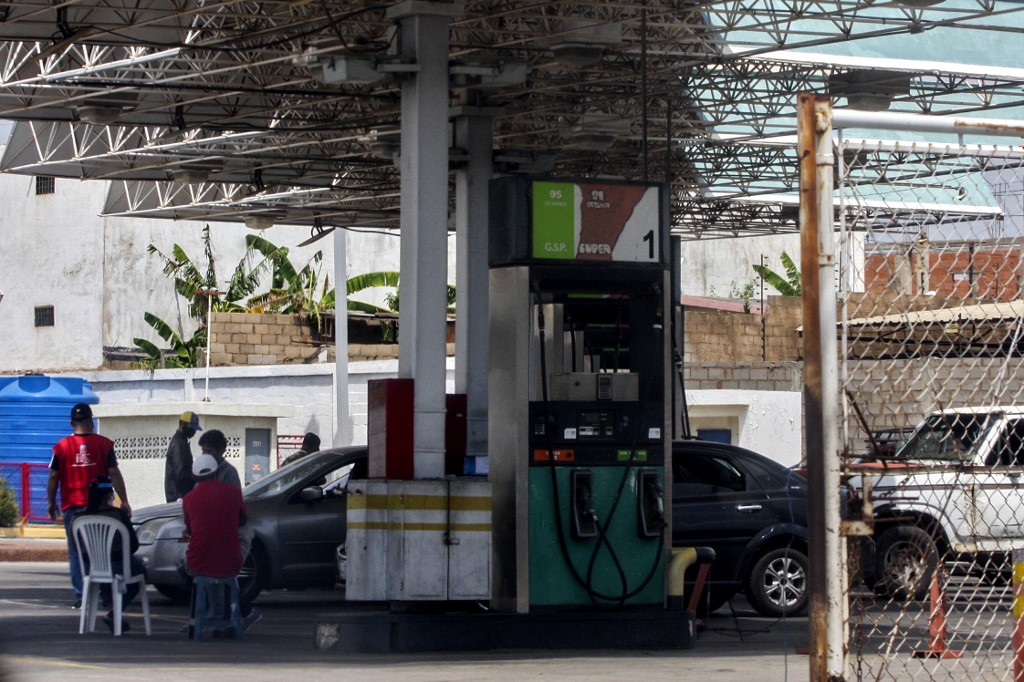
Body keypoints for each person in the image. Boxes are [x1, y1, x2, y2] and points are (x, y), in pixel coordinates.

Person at [47, 403, 132, 610]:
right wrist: (125, 499)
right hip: (100, 508)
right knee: (102, 551)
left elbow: (54, 475)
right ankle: (106, 596)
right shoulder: (104, 445)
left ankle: (82, 596)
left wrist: (51, 503)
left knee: (76, 552)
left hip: (73, 509)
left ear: (71, 423)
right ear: (91, 421)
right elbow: (114, 472)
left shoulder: (62, 447)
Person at [182, 453, 249, 636]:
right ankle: (224, 614)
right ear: (217, 472)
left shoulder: (189, 499)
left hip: (199, 563)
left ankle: (210, 615)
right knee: (248, 534)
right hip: (231, 562)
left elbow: (190, 528)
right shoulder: (234, 493)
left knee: (188, 547)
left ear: (195, 476)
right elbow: (243, 520)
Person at [80, 476, 146, 633]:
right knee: (140, 571)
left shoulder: (79, 516)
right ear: (109, 495)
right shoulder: (118, 515)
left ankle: (110, 605)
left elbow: (79, 548)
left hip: (92, 567)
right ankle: (115, 610)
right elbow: (133, 545)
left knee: (105, 570)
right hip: (118, 565)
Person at [165, 411, 202, 503]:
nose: (193, 432)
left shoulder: (183, 442)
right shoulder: (178, 444)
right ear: (182, 424)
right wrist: (197, 476)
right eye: (191, 428)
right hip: (178, 497)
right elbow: (181, 474)